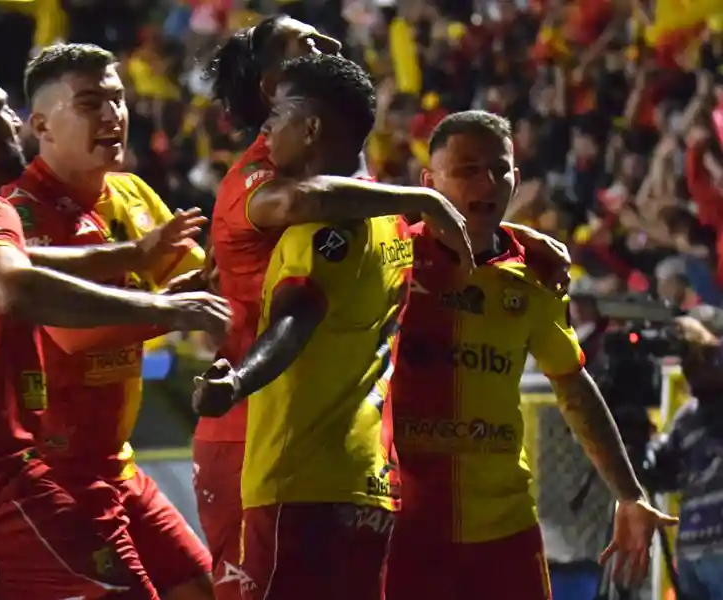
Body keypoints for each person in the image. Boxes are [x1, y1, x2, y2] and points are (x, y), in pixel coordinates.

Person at [197, 16, 564, 598]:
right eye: (308, 44)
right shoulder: (263, 182)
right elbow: (306, 236)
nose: (332, 42)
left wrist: (506, 236)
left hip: (353, 463)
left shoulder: (362, 199)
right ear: (279, 94)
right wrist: (427, 198)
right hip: (252, 432)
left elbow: (386, 227)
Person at [0, 52, 230, 599]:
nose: (14, 122)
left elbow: (22, 266)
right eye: (3, 109)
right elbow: (17, 287)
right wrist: (166, 309)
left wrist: (131, 254)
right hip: (2, 496)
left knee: (199, 589)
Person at [384, 110, 678, 600]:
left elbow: (574, 385)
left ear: (516, 179)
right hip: (403, 522)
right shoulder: (390, 257)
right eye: (468, 170)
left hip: (506, 529)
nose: (488, 182)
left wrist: (628, 494)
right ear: (427, 183)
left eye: (499, 170)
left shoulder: (536, 277)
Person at [193, 53, 408, 600]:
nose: (266, 134)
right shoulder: (395, 220)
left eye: (276, 120)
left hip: (298, 476)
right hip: (372, 479)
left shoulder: (313, 230)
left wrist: (237, 381)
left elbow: (295, 320)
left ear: (310, 127)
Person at [6, 43, 213, 600]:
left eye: (118, 100)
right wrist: (171, 306)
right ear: (42, 124)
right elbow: (73, 332)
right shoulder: (17, 213)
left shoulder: (133, 193)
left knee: (200, 589)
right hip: (53, 475)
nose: (113, 116)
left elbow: (206, 279)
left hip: (116, 464)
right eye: (91, 102)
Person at [646, 306, 723, 600]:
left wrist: (698, 338)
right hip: (693, 552)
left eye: (701, 356)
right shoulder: (688, 417)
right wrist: (639, 441)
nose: (692, 367)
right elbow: (660, 473)